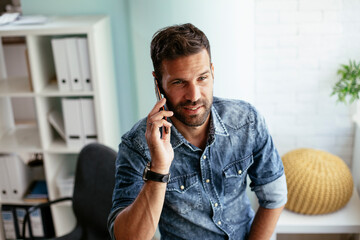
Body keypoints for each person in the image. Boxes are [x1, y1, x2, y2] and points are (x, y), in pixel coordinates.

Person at [108, 23, 287, 240]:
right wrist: (159, 168)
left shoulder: (246, 121)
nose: (193, 95)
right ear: (158, 84)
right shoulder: (137, 145)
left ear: (212, 72)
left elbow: (274, 197)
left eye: (202, 78)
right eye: (179, 82)